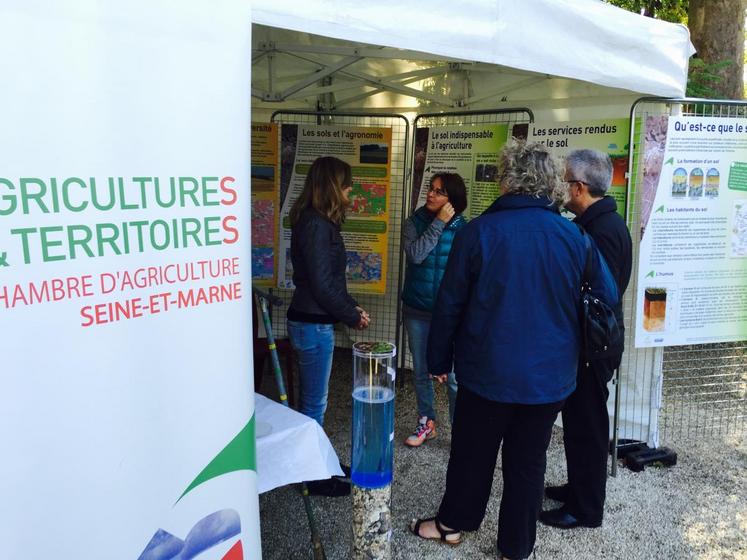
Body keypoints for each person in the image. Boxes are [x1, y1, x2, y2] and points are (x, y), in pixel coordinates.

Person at [408, 141, 618, 560]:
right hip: (549, 377)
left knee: (472, 453)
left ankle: (453, 524)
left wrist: (438, 360)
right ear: (549, 185)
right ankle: (516, 548)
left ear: (507, 180)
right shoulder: (573, 235)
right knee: (527, 462)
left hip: (488, 371)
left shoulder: (478, 232)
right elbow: (606, 295)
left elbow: (449, 304)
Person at [539, 149, 633, 529]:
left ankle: (586, 509)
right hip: (588, 344)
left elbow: (599, 296)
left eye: (564, 180)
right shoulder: (600, 223)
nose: (561, 187)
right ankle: (578, 489)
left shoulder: (602, 230)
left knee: (588, 427)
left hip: (593, 348)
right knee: (579, 423)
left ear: (578, 188)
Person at [286, 156, 370, 497]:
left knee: (314, 403)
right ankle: (313, 476)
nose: (351, 188)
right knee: (313, 406)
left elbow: (328, 283)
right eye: (347, 182)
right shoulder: (316, 225)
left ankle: (322, 464)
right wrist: (351, 315)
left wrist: (350, 308)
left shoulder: (317, 221)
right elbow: (322, 284)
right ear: (333, 186)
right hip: (312, 324)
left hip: (314, 321)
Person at [401, 173, 467, 447]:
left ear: (452, 200)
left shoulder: (465, 230)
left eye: (439, 192)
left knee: (453, 377)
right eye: (430, 188)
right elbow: (416, 255)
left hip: (449, 315)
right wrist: (438, 224)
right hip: (417, 310)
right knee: (421, 371)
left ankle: (460, 432)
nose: (430, 194)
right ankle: (427, 422)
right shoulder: (412, 223)